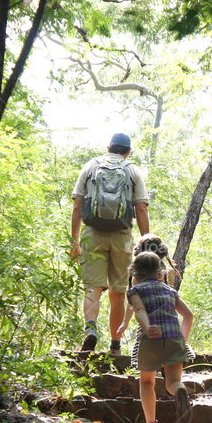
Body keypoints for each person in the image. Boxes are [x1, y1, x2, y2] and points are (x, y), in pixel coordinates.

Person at [70, 133, 150, 354]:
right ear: (128, 151)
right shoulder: (132, 170)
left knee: (92, 287)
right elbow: (141, 207)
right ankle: (115, 346)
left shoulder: (91, 166)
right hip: (122, 237)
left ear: (108, 147)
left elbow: (77, 205)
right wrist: (146, 241)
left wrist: (74, 241)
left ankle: (91, 330)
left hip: (92, 233)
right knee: (118, 291)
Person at [122, 251, 194, 423]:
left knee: (147, 382)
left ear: (135, 275)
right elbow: (188, 315)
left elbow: (139, 310)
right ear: (160, 274)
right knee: (172, 382)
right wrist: (182, 340)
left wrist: (147, 327)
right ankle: (180, 391)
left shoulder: (134, 291)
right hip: (173, 339)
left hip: (150, 340)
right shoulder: (170, 290)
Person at [118, 234, 196, 369]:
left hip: (148, 325)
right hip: (170, 324)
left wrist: (125, 322)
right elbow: (173, 301)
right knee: (171, 364)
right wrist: (182, 340)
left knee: (146, 370)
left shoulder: (138, 277)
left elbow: (135, 305)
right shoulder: (168, 272)